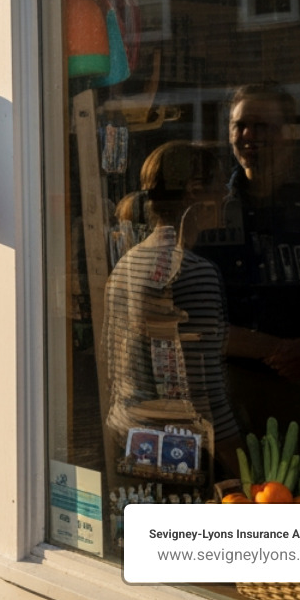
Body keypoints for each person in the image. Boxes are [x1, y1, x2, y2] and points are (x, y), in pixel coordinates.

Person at [198, 83, 300, 455]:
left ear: (290, 133)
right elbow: (194, 313)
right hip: (231, 387)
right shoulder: (210, 210)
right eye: (240, 125)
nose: (248, 136)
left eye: (262, 126)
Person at [103, 142, 241, 477]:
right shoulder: (193, 271)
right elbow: (205, 393)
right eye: (220, 185)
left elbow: (113, 364)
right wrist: (248, 472)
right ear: (196, 192)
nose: (227, 194)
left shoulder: (127, 263)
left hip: (128, 435)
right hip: (180, 453)